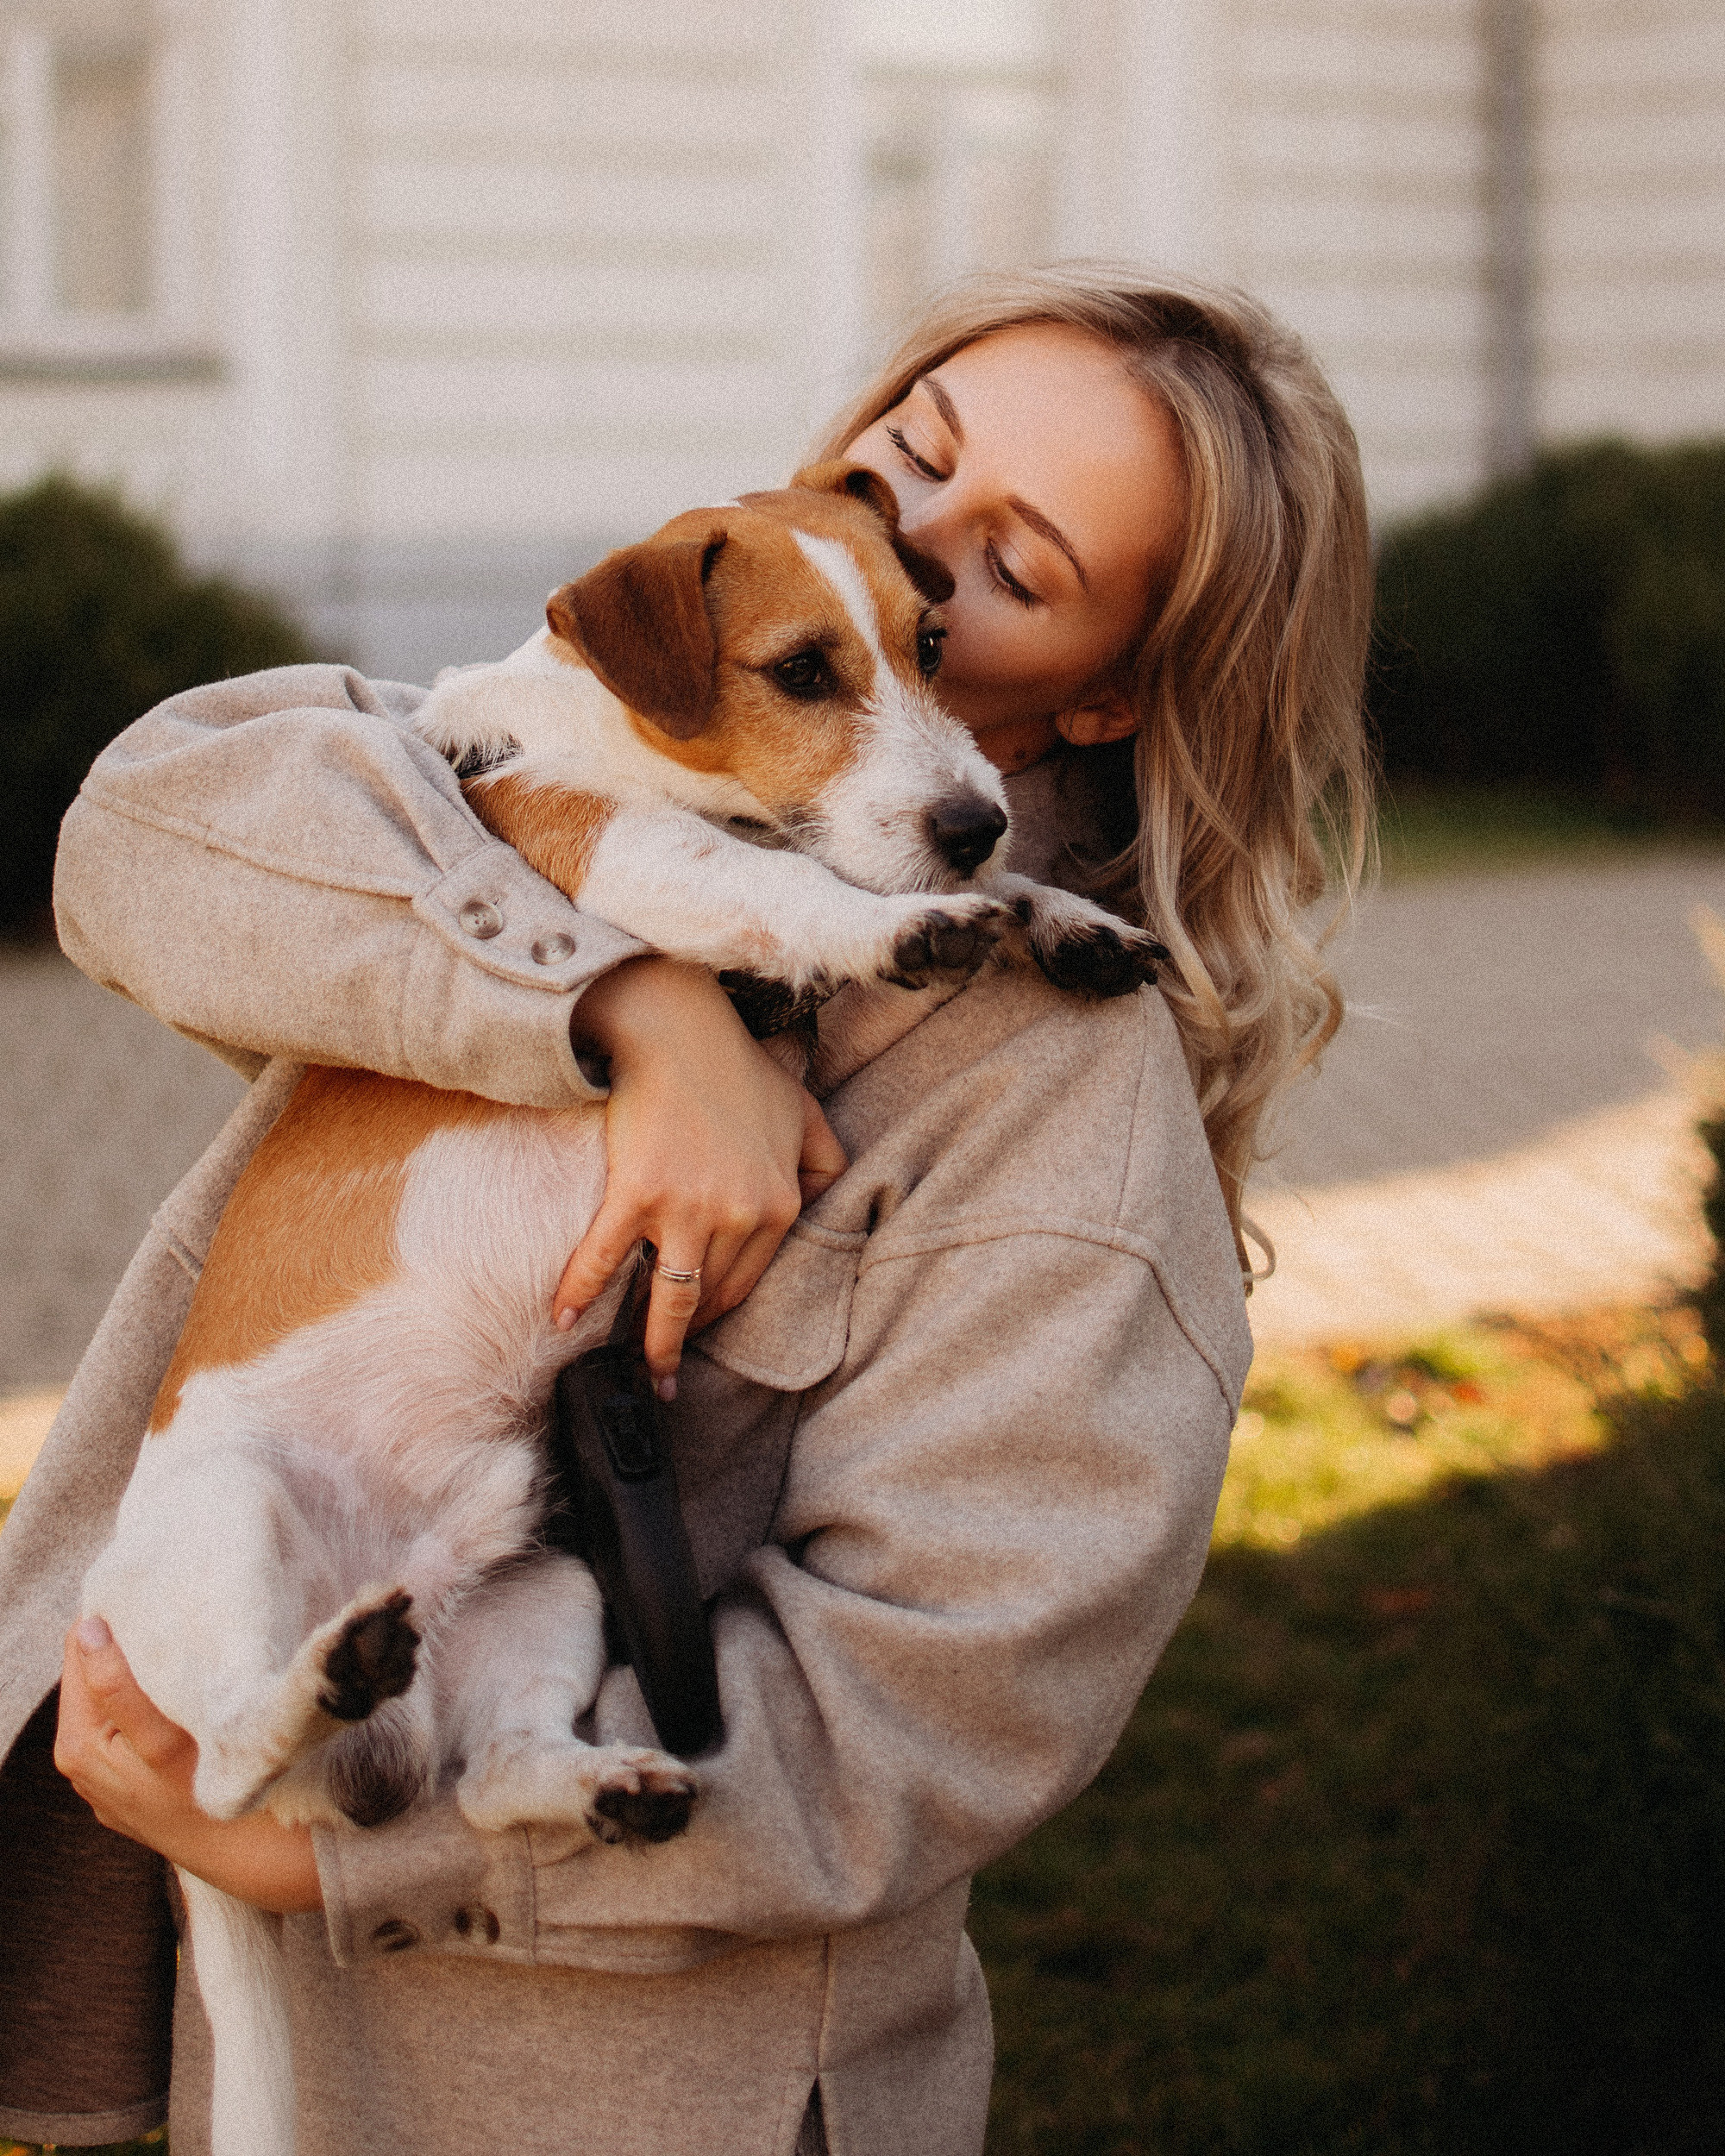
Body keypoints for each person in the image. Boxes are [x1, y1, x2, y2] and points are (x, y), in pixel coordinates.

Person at [0, 266, 1371, 2156]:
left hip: (645, 2090)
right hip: (270, 2026)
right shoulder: (594, 746)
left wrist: (337, 1857)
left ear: (1116, 687)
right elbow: (148, 835)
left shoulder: (1063, 1116)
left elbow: (935, 1708)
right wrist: (618, 1006)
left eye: (1012, 568)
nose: (905, 546)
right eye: (916, 452)